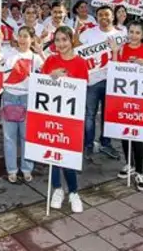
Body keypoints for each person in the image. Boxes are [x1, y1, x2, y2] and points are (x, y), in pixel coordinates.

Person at [42, 26, 86, 213]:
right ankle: (58, 189)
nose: (61, 44)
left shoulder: (81, 62)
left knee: (68, 156)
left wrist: (68, 79)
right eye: (57, 40)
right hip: (52, 115)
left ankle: (74, 192)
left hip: (71, 117)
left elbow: (83, 88)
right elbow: (42, 84)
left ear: (71, 40)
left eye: (64, 40)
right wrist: (51, 77)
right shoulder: (50, 60)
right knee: (52, 155)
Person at [115, 21, 143, 192]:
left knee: (138, 136)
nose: (133, 35)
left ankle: (140, 172)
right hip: (123, 97)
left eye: (137, 33)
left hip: (141, 100)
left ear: (142, 35)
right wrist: (114, 52)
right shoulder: (122, 49)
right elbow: (115, 67)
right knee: (124, 133)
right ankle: (129, 164)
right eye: (131, 32)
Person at [77, 5, 125, 160]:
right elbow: (76, 49)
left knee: (108, 115)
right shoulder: (88, 33)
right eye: (100, 15)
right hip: (92, 82)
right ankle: (88, 145)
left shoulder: (121, 34)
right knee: (89, 115)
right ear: (96, 17)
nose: (104, 17)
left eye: (107, 14)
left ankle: (106, 143)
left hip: (113, 81)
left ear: (113, 17)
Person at [2, 25, 44, 183]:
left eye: (26, 36)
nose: (22, 39)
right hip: (9, 97)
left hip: (28, 98)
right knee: (9, 137)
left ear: (32, 39)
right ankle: (11, 169)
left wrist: (40, 52)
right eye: (20, 36)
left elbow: (49, 71)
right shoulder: (8, 53)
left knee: (26, 136)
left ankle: (27, 168)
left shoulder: (36, 57)